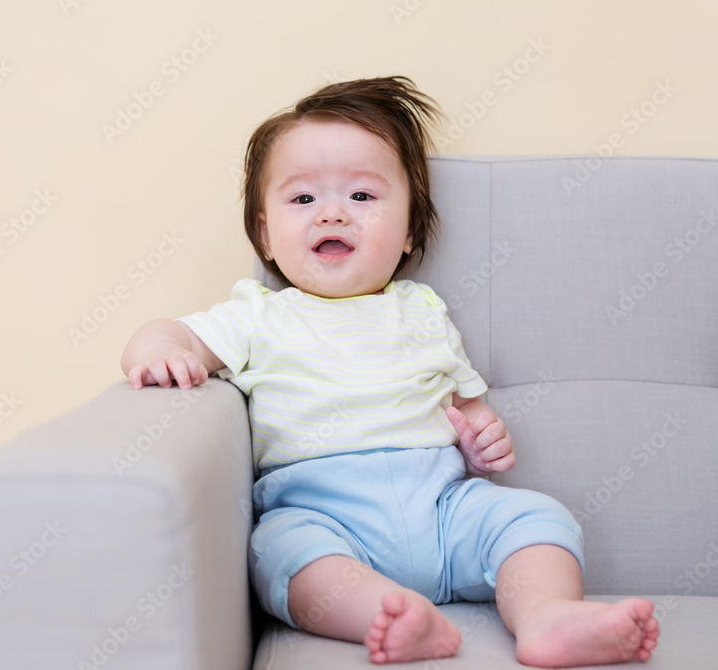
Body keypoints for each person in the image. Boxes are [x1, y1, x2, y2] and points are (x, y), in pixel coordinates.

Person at [120, 77, 659, 666]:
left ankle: (547, 616)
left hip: (443, 507)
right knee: (282, 551)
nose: (332, 213)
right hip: (325, 514)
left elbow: (464, 406)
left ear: (407, 232)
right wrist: (157, 353)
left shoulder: (424, 311)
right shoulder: (259, 314)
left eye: (362, 197)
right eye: (303, 200)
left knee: (533, 517)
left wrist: (483, 439)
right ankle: (385, 614)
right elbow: (170, 334)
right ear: (266, 235)